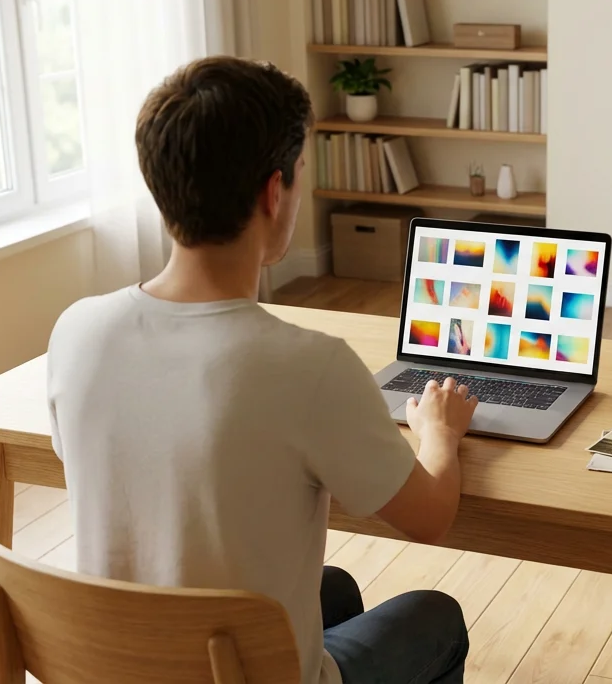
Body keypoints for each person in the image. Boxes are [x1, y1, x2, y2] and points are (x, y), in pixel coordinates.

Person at [46, 56, 478, 684]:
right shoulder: (308, 366)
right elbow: (431, 516)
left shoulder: (76, 330)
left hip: (121, 664)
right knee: (434, 615)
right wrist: (439, 434)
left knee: (333, 590)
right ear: (274, 194)